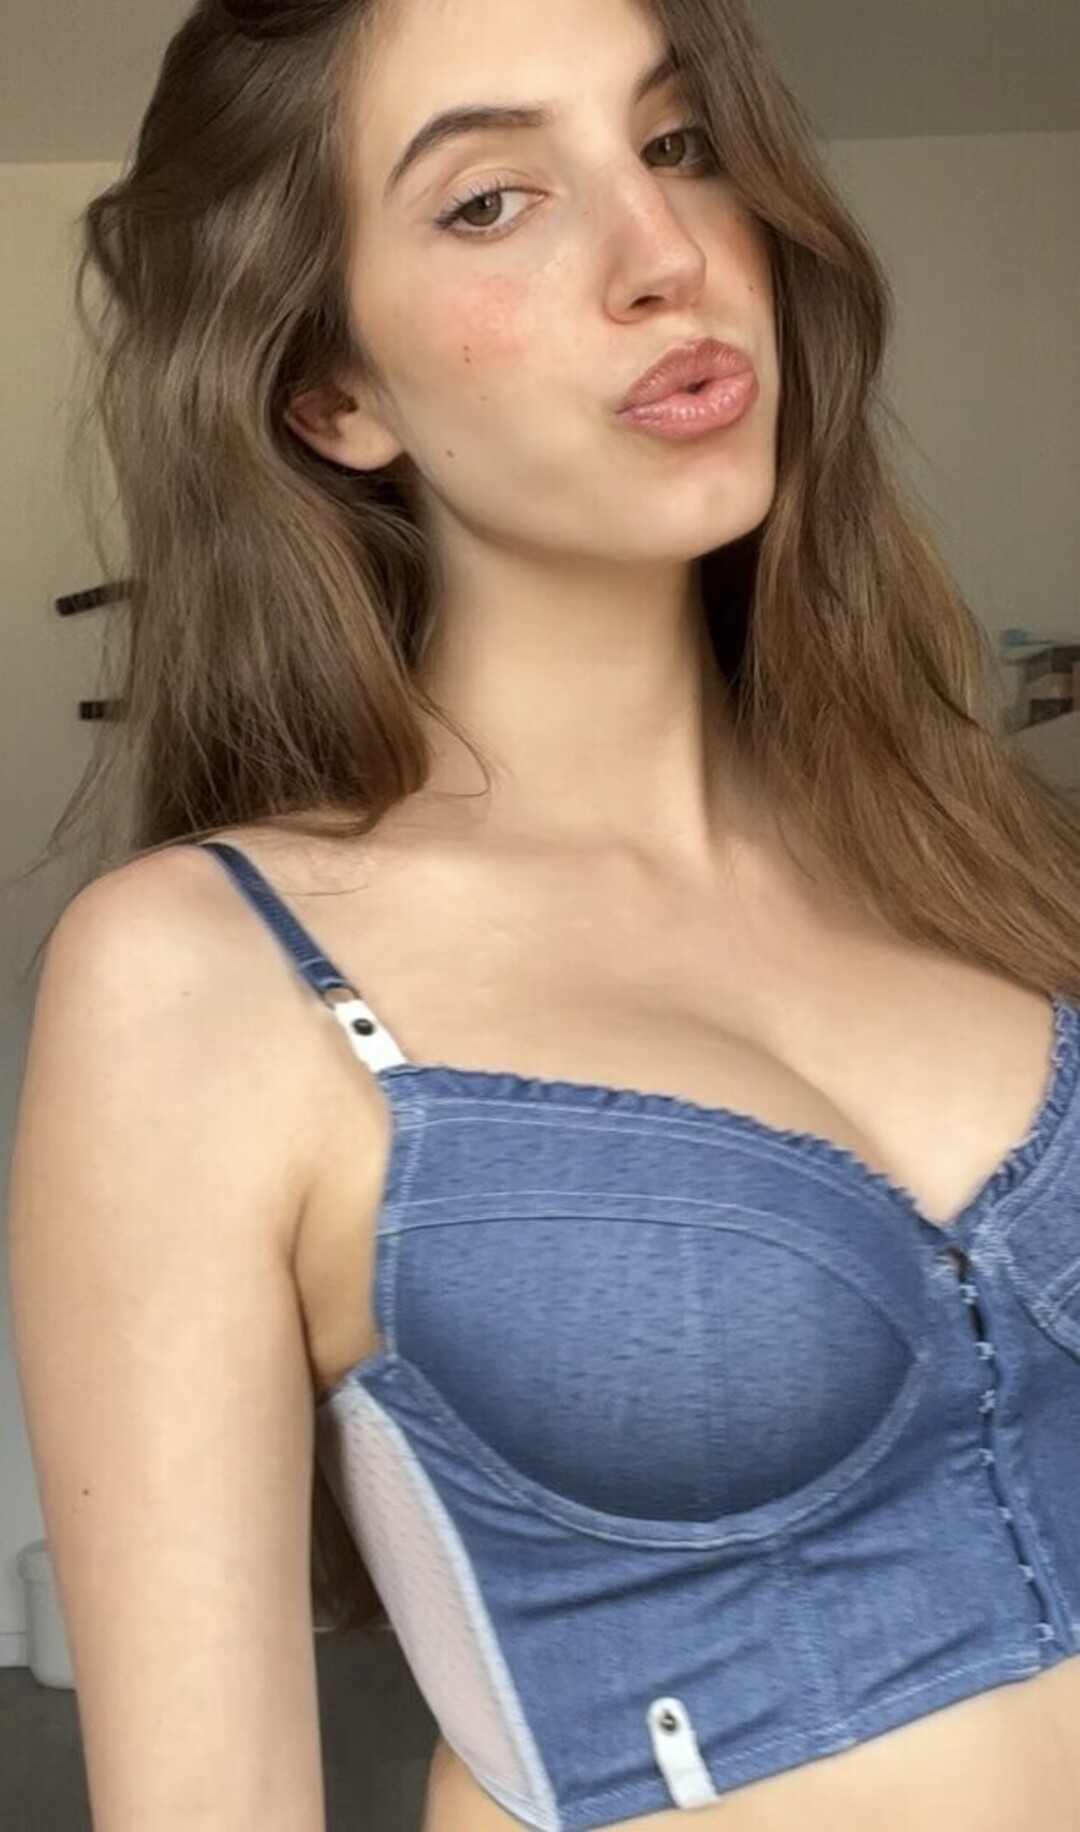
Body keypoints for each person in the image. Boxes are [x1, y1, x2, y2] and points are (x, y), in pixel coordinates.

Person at [7, 0, 1080, 1826]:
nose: (665, 254)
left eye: (677, 146)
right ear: (330, 393)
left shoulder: (988, 851)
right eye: (491, 200)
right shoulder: (204, 976)